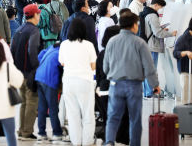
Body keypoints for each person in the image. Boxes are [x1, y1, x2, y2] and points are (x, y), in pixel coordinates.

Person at [103, 11, 160, 146]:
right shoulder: (139, 43)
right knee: (134, 119)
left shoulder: (112, 41)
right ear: (134, 25)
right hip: (133, 86)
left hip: (115, 84)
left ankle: (109, 142)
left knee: (113, 117)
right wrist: (155, 85)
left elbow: (105, 67)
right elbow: (149, 67)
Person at [59, 18, 97, 146]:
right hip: (85, 81)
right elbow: (93, 66)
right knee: (88, 115)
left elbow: (62, 62)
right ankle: (87, 142)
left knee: (72, 115)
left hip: (69, 81)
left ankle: (76, 142)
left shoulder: (64, 44)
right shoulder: (88, 45)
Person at [10, 4, 41, 141]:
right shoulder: (34, 31)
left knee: (23, 102)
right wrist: (36, 67)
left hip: (18, 73)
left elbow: (12, 50)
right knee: (32, 101)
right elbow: (32, 51)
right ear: (34, 15)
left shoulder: (19, 29)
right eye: (38, 14)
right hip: (30, 72)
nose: (39, 16)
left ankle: (21, 130)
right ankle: (27, 131)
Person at [95, 25, 130, 144]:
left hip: (104, 89)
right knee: (124, 115)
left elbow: (99, 74)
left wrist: (98, 89)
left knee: (107, 116)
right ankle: (122, 138)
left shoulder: (102, 54)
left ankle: (109, 139)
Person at [141, 0, 177, 97]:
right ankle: (150, 93)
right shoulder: (152, 15)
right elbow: (157, 33)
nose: (159, 10)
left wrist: (161, 29)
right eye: (159, 7)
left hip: (146, 45)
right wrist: (171, 33)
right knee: (151, 70)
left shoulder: (145, 12)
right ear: (155, 5)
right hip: (152, 46)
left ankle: (147, 92)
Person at [34, 43, 64, 144]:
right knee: (53, 108)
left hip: (39, 77)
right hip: (49, 79)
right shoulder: (61, 52)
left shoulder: (50, 49)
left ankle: (41, 133)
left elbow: (39, 57)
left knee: (42, 108)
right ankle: (57, 133)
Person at [174, 17, 192, 105]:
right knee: (185, 92)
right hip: (185, 70)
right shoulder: (183, 38)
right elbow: (175, 53)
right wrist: (186, 52)